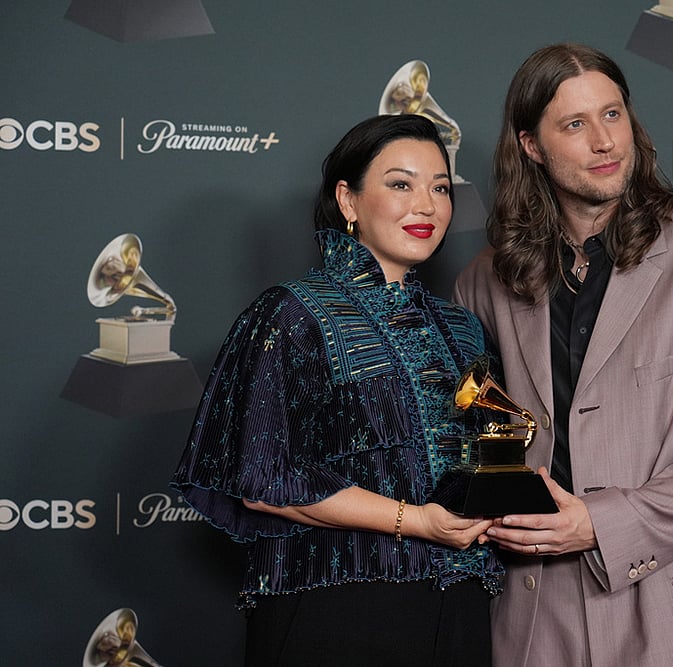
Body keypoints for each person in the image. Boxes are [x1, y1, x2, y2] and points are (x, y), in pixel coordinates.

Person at [454, 43, 673, 667]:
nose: (605, 141)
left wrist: (604, 523)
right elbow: (475, 441)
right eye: (575, 124)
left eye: (613, 115)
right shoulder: (483, 281)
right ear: (531, 145)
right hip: (534, 612)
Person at [171, 114, 502, 666]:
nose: (427, 205)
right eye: (401, 184)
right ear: (348, 200)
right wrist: (416, 521)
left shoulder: (462, 328)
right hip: (336, 610)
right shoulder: (289, 314)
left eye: (440, 187)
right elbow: (263, 478)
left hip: (461, 609)